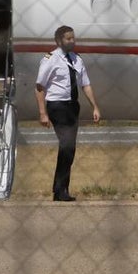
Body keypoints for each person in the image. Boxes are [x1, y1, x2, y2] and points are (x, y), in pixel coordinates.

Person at [36, 25, 102, 202]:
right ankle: (59, 190)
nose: (72, 41)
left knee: (69, 147)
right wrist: (43, 113)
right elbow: (39, 87)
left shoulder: (76, 59)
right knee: (67, 144)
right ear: (59, 41)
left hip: (72, 106)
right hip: (57, 105)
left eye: (73, 38)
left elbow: (85, 84)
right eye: (68, 38)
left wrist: (95, 106)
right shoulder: (50, 59)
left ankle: (61, 189)